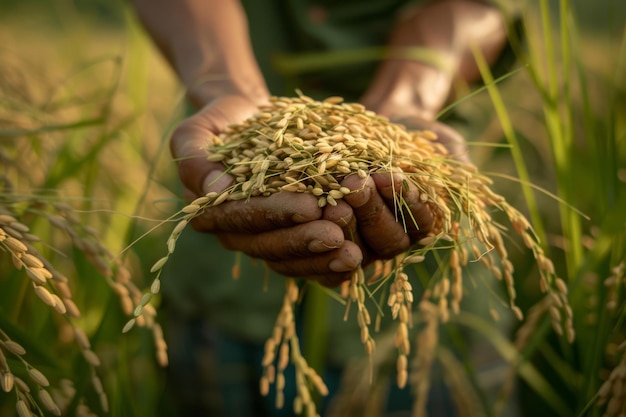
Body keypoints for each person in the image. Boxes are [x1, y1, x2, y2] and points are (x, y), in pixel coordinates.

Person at [131, 1, 516, 416]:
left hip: (430, 316)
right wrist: (224, 86)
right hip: (219, 290)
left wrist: (409, 97)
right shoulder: (252, 153)